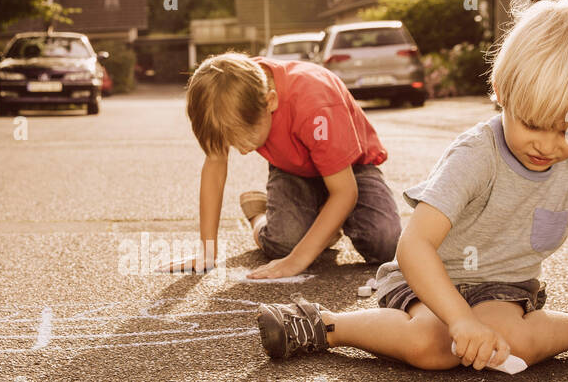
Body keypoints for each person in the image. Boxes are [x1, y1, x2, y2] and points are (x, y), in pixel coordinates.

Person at [255, 0, 568, 380]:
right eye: (533, 123)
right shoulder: (476, 156)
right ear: (500, 91)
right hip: (429, 281)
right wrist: (460, 320)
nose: (547, 145)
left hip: (502, 289)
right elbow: (414, 247)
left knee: (509, 340)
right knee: (432, 345)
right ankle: (325, 325)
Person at [168, 52, 401, 278]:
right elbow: (215, 167)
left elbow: (345, 192)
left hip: (352, 169)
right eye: (233, 143)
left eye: (246, 139)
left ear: (270, 101)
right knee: (283, 243)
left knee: (385, 243)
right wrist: (207, 252)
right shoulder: (227, 97)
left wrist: (297, 261)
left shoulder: (314, 103)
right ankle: (259, 216)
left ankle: (324, 221)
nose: (242, 150)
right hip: (293, 169)